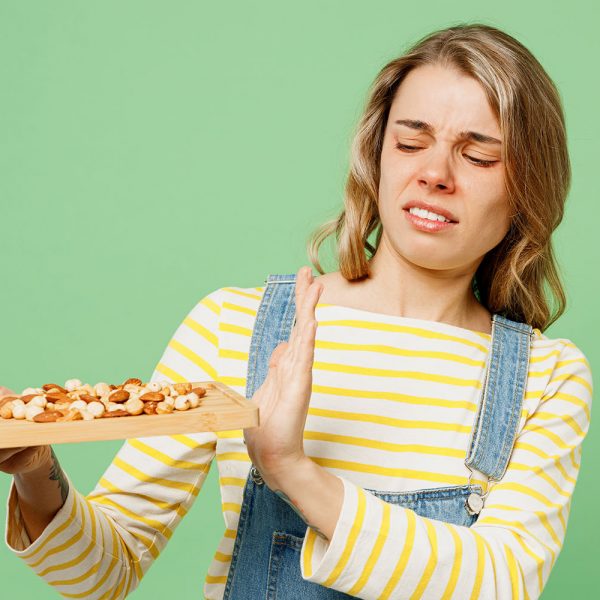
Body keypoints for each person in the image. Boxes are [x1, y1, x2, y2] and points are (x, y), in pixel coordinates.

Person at [0, 23, 592, 599]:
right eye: (410, 143)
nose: (433, 174)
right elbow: (102, 574)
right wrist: (36, 471)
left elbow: (499, 582)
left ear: (527, 188)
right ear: (376, 155)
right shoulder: (231, 327)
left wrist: (291, 469)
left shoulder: (547, 378)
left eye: (478, 158)